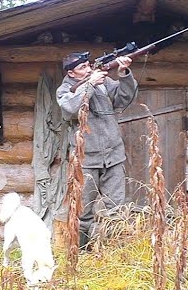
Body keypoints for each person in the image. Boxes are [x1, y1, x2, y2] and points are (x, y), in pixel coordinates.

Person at [56, 50, 138, 249]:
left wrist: (124, 73)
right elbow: (72, 109)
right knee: (83, 213)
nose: (88, 69)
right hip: (86, 161)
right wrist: (90, 84)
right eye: (82, 68)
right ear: (71, 74)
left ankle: (115, 253)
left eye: (88, 65)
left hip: (113, 157)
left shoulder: (102, 83)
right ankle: (80, 254)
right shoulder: (64, 91)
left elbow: (124, 99)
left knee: (116, 209)